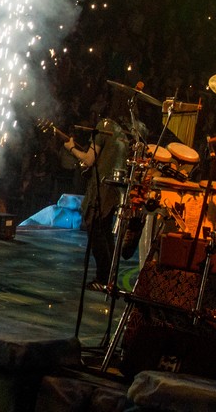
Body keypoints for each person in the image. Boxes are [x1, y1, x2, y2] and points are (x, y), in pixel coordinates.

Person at [62, 97, 135, 291]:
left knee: (95, 230)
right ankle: (109, 277)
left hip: (101, 187)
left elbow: (89, 159)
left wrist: (71, 148)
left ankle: (102, 277)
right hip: (115, 188)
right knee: (105, 232)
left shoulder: (104, 126)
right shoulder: (124, 132)